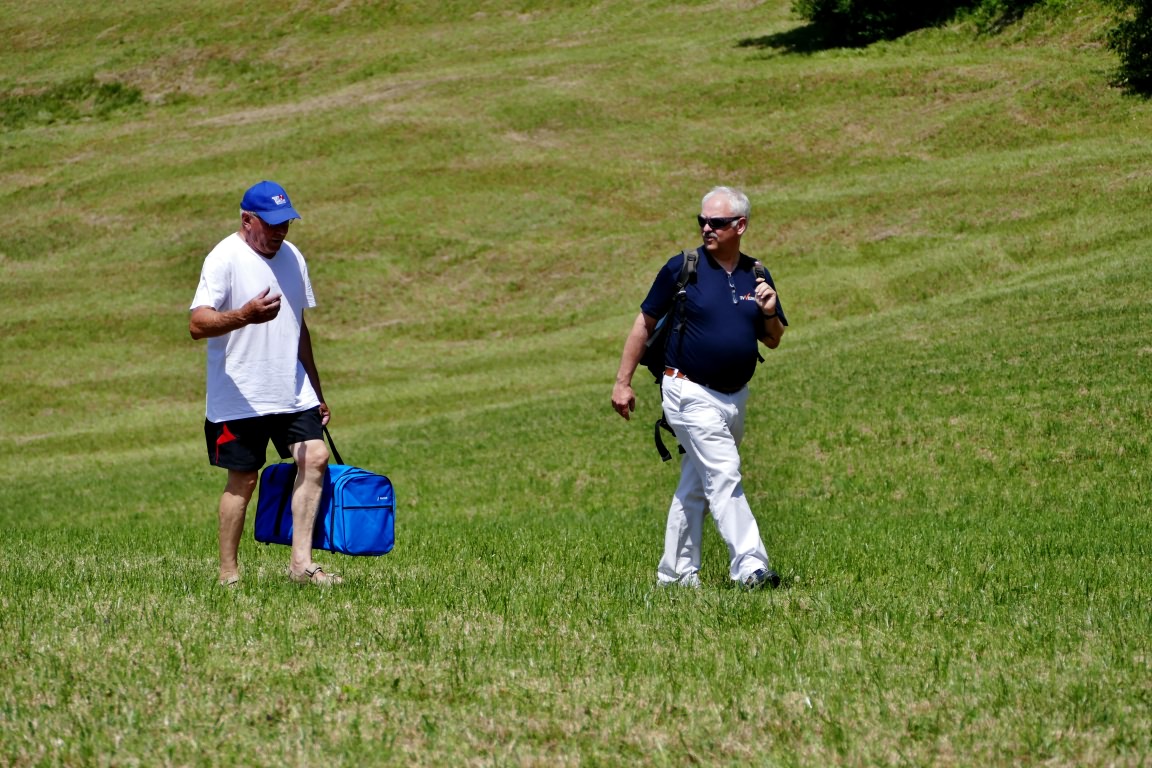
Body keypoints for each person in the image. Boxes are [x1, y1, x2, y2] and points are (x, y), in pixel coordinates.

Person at [611, 186, 788, 589]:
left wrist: (769, 311)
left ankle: (675, 576)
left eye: (717, 222)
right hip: (687, 391)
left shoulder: (757, 274)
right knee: (724, 473)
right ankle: (751, 566)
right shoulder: (683, 267)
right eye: (702, 221)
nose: (707, 228)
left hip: (735, 397)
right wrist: (623, 382)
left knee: (697, 486)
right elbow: (644, 323)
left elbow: (773, 338)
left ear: (740, 226)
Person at [189, 180, 341, 587]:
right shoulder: (223, 258)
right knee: (244, 479)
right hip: (239, 395)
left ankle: (301, 566)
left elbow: (298, 327)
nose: (280, 231)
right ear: (247, 220)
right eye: (271, 224)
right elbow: (197, 324)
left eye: (286, 223)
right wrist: (244, 315)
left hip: (290, 389)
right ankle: (228, 574)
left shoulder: (293, 257)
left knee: (315, 457)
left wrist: (316, 390)